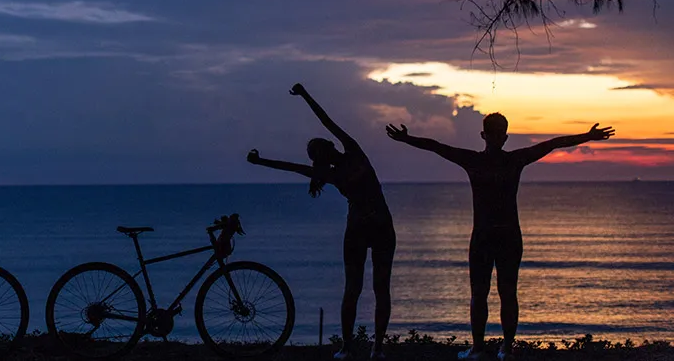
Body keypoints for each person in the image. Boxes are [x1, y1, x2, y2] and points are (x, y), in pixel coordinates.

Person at [386, 114, 614, 360]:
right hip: (509, 235)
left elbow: (435, 146)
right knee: (508, 292)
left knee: (479, 293)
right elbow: (553, 143)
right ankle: (507, 348)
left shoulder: (473, 160)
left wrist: (406, 139)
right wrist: (588, 136)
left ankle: (478, 349)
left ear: (483, 135)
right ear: (505, 137)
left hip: (483, 236)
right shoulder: (515, 160)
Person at [248, 83, 395, 360]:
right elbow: (326, 123)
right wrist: (305, 95)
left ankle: (351, 348)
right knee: (377, 288)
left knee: (354, 288)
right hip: (380, 226)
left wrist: (260, 161)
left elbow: (295, 164)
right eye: (324, 144)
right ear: (328, 150)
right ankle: (374, 348)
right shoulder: (353, 152)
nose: (328, 142)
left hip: (360, 228)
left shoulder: (332, 173)